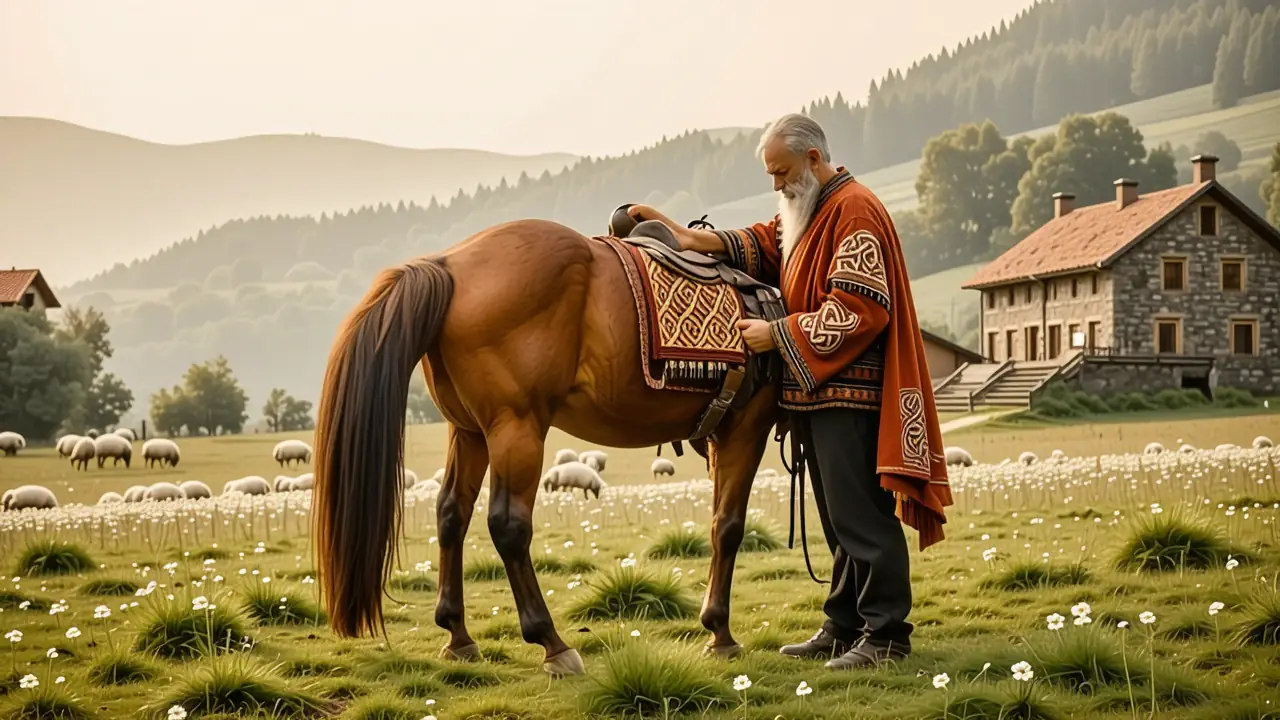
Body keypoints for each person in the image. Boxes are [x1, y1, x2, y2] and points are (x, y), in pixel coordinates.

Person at [625, 113, 952, 669]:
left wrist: (776, 334)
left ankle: (886, 635)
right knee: (838, 520)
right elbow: (768, 243)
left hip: (851, 393)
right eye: (772, 174)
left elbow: (861, 310)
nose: (777, 184)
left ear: (813, 159)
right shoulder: (815, 206)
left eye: (781, 172)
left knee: (861, 519)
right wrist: (688, 236)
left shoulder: (855, 211)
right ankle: (845, 624)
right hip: (819, 391)